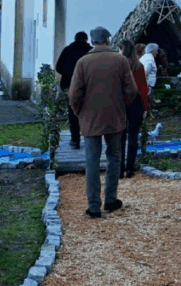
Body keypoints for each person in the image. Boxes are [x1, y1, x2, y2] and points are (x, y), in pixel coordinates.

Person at [68, 27, 138, 218]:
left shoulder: (83, 62)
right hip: (115, 116)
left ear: (92, 41)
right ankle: (111, 199)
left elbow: (74, 94)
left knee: (92, 161)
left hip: (90, 118)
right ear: (108, 40)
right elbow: (131, 90)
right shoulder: (120, 60)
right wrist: (122, 106)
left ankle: (94, 206)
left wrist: (80, 113)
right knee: (114, 157)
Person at [118, 40, 150, 178]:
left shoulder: (118, 66)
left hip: (121, 103)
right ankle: (130, 167)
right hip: (136, 102)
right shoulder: (139, 66)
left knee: (120, 137)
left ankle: (119, 169)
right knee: (133, 136)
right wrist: (145, 107)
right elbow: (143, 88)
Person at [56, 31, 92, 150]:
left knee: (73, 112)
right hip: (87, 86)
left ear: (75, 38)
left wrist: (68, 74)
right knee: (88, 112)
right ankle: (89, 139)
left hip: (70, 85)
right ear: (86, 39)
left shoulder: (67, 50)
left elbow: (58, 67)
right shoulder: (90, 51)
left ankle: (75, 139)